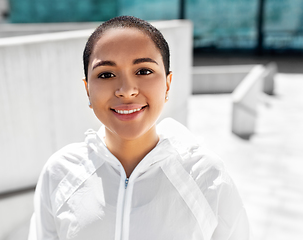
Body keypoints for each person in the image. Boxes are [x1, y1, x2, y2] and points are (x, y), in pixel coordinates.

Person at [28, 16, 250, 240]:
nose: (126, 90)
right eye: (106, 74)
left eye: (143, 71)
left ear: (167, 84)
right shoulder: (59, 173)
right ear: (87, 89)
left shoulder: (207, 178)